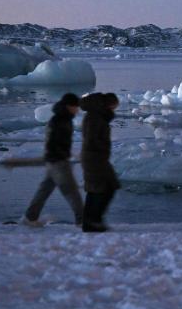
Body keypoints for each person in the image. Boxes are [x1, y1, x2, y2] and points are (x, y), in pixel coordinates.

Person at [23, 93, 84, 227]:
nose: (77, 110)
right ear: (69, 106)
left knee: (44, 190)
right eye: (75, 107)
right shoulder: (60, 121)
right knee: (71, 192)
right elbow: (53, 142)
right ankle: (82, 221)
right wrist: (62, 156)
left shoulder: (62, 119)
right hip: (59, 162)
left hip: (54, 161)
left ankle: (30, 217)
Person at [80, 92, 120, 232]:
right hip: (95, 158)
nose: (114, 109)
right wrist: (101, 149)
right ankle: (93, 221)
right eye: (114, 106)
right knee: (105, 187)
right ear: (108, 104)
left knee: (96, 189)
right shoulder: (95, 117)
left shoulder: (96, 115)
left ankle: (90, 221)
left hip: (95, 157)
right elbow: (93, 139)